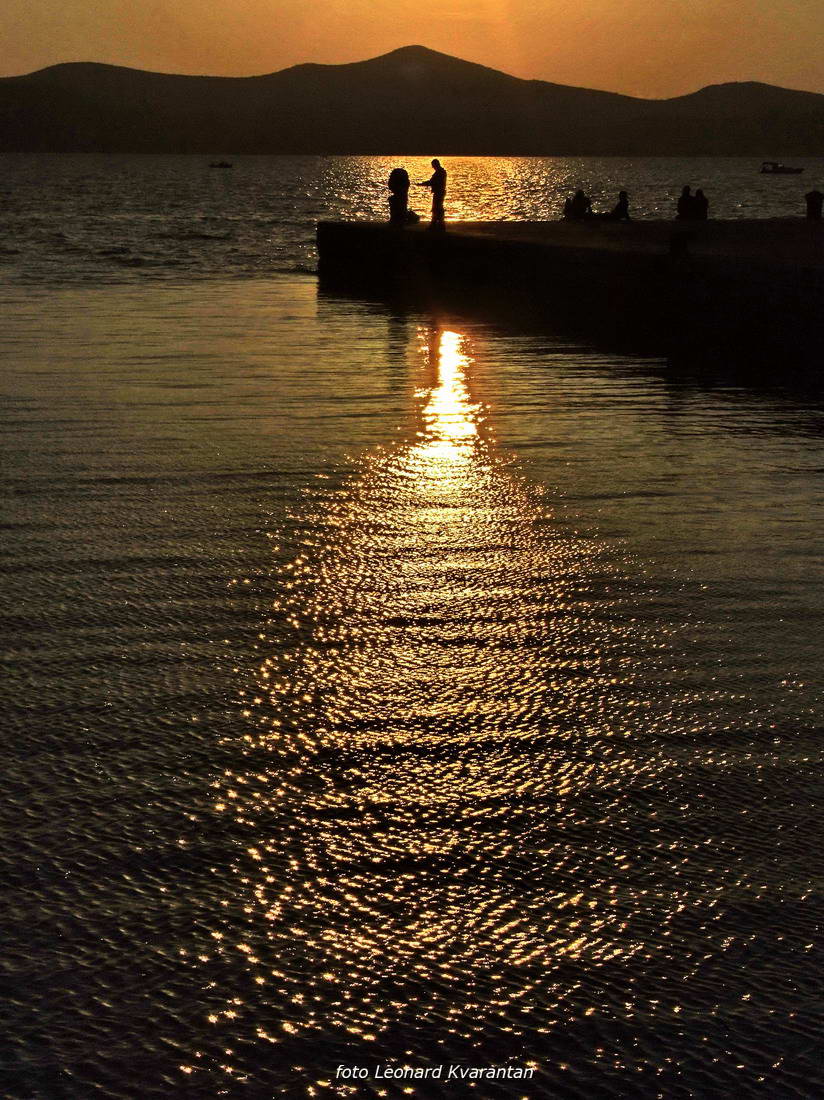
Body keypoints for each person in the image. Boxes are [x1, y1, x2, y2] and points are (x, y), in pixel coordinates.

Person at [419, 159, 447, 229]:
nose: (433, 167)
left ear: (435, 165)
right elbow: (432, 182)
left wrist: (422, 184)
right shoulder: (441, 172)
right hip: (440, 192)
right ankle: (438, 224)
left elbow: (432, 182)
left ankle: (436, 224)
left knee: (436, 208)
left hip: (439, 192)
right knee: (438, 208)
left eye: (433, 165)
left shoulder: (439, 173)